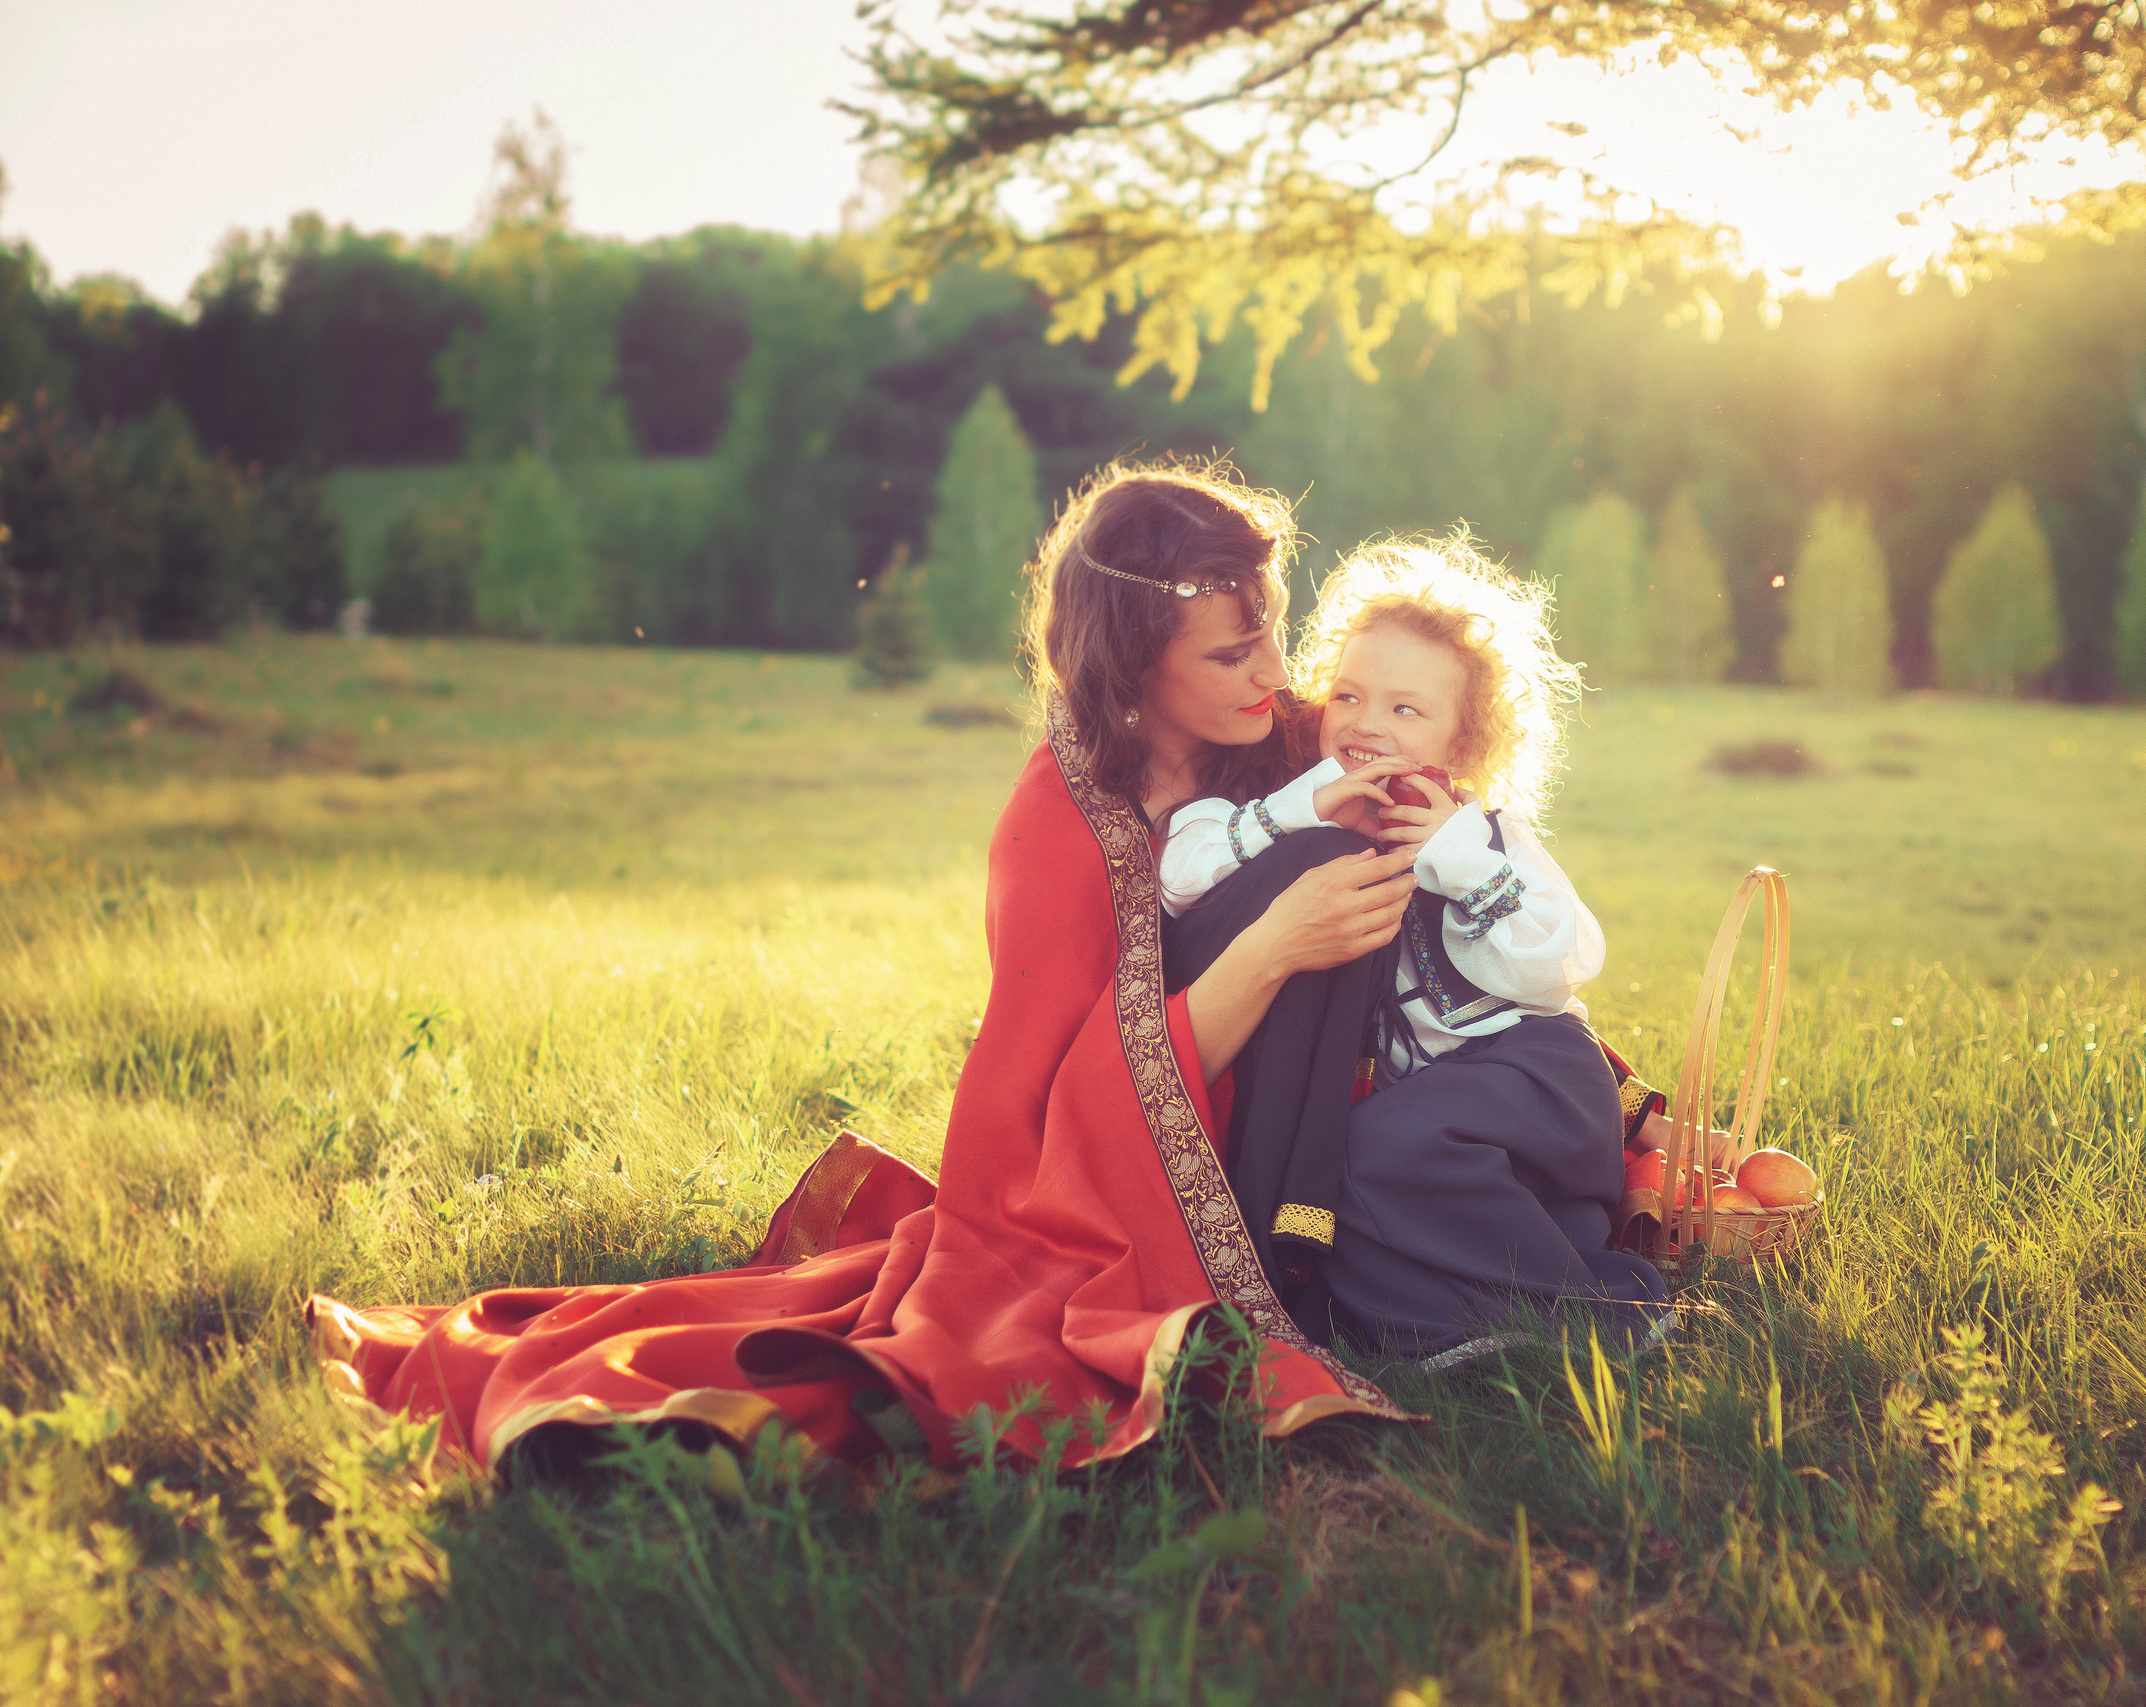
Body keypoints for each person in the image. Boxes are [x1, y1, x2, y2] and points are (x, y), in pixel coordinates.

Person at [306, 460, 1430, 1474]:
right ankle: (1290, 1286)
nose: (1277, 675)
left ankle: (1337, 1244)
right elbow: (1043, 1120)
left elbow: (1448, 876)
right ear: (1137, 661)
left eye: (1274, 636)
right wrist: (1277, 946)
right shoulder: (1058, 831)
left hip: (1310, 1106)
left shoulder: (1281, 741)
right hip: (1109, 1182)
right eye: (1234, 653)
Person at [1158, 534, 1668, 1360]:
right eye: (1350, 696)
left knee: (1383, 1146)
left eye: (1406, 709)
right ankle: (1465, 1324)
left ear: (1462, 748)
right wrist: (1301, 810)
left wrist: (1458, 854)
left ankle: (1608, 1314)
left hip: (1537, 1086)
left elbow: (1558, 961)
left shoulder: (1489, 834)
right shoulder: (1307, 807)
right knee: (1350, 1168)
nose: (1366, 724)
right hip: (1450, 1143)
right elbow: (1181, 871)